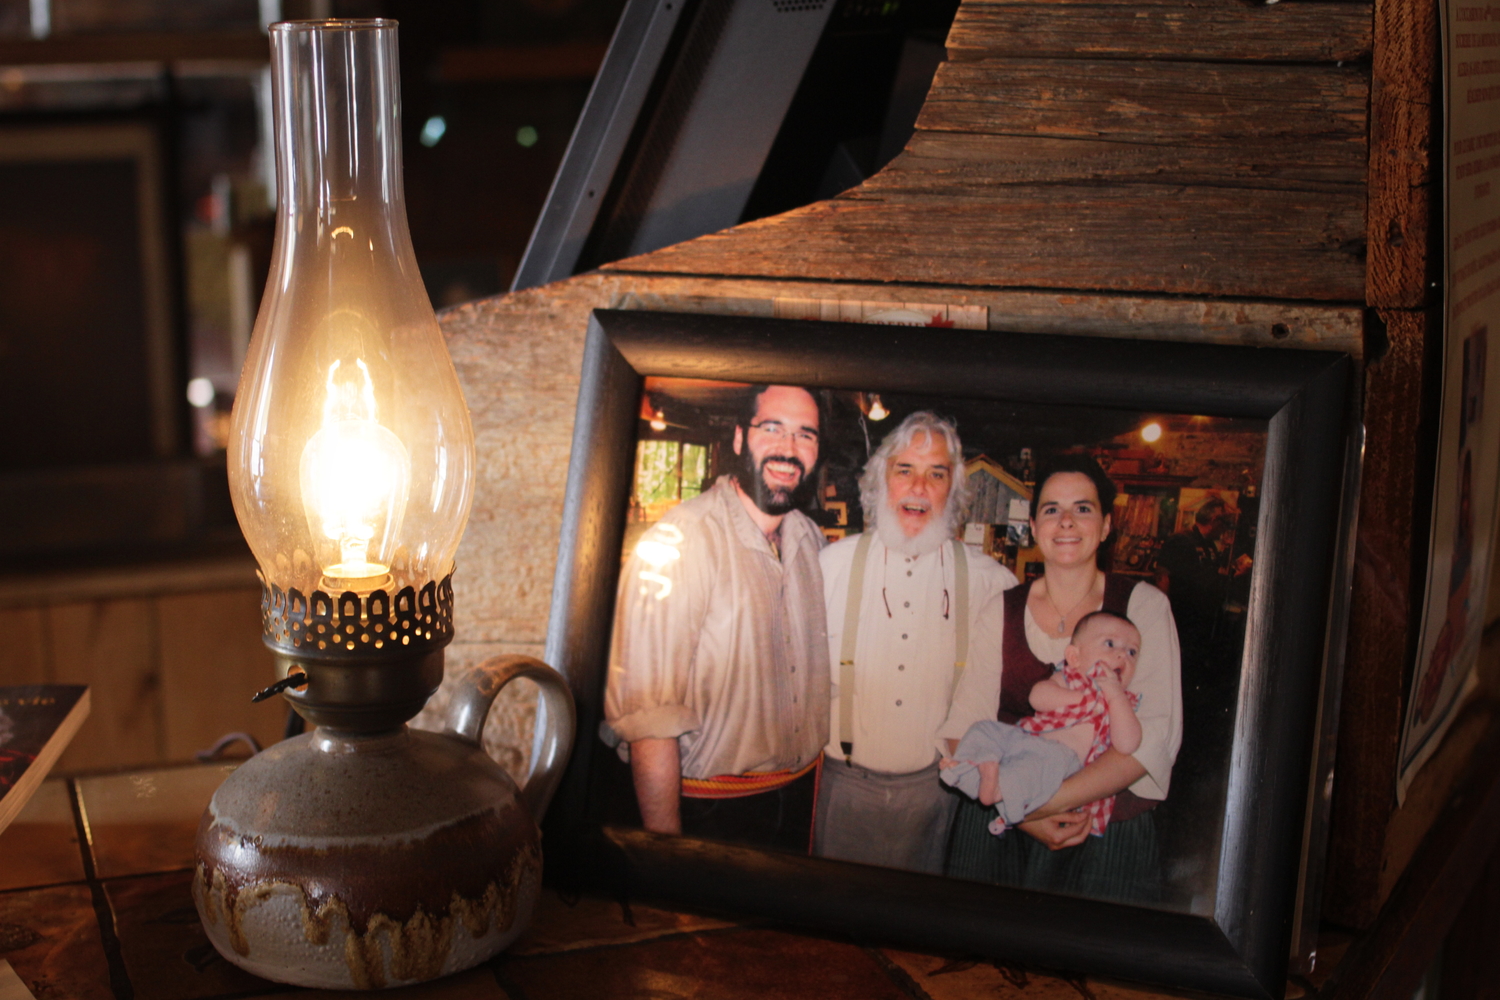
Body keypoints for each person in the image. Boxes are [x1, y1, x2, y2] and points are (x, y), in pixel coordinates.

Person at [940, 454, 1181, 904]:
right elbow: (964, 726)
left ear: (1106, 525)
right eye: (1052, 509)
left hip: (1106, 830)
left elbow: (1154, 736)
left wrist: (1039, 801)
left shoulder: (1144, 606)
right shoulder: (1003, 608)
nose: (1066, 521)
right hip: (1002, 828)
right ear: (1033, 526)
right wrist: (1023, 813)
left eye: (1083, 508)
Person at [601, 385, 830, 852]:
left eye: (805, 435)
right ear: (741, 438)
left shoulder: (812, 540)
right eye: (773, 429)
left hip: (802, 803)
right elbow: (650, 722)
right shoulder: (679, 541)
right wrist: (667, 859)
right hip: (713, 816)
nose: (789, 449)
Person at [813, 411, 1016, 874]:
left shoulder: (992, 582)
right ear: (881, 481)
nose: (919, 488)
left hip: (936, 800)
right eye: (905, 470)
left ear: (954, 490)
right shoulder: (828, 566)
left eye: (936, 474)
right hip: (842, 791)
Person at [941, 611, 1144, 838]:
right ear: (1075, 657)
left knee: (1030, 770)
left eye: (1132, 652)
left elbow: (1128, 744)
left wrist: (1115, 696)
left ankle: (997, 791)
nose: (1122, 655)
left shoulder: (1123, 703)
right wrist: (1082, 701)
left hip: (1062, 760)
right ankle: (967, 769)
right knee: (985, 729)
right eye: (1110, 644)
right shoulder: (1069, 678)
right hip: (1023, 736)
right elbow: (1037, 697)